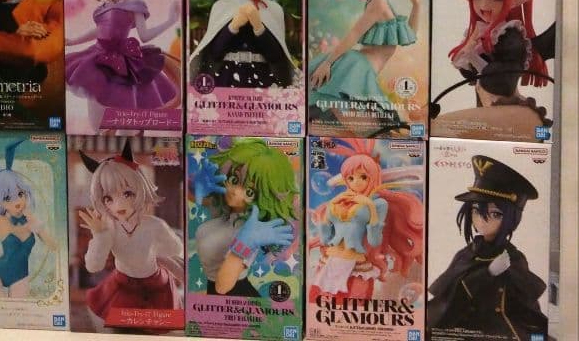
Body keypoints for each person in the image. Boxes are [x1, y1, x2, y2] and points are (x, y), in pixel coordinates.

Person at [65, 0, 180, 132]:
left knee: (126, 103)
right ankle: (102, 135)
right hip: (97, 55)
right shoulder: (106, 5)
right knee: (95, 107)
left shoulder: (135, 3)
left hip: (122, 59)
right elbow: (99, 31)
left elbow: (144, 36)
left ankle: (127, 133)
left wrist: (170, 21)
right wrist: (73, 41)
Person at [427, 155, 548, 338]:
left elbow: (526, 305)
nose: (482, 220)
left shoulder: (514, 258)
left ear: (512, 219)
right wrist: (487, 273)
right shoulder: (465, 255)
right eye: (476, 211)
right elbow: (449, 301)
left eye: (495, 214)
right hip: (463, 330)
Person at [431, 0, 553, 138]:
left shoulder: (510, 35)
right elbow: (471, 72)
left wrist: (472, 55)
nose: (484, 5)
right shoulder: (478, 33)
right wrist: (470, 49)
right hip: (487, 102)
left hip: (504, 103)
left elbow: (496, 76)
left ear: (513, 0)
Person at [309, 0, 420, 124]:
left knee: (358, 118)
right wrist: (327, 63)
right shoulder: (378, 4)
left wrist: (416, 6)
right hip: (359, 66)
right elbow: (353, 34)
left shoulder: (382, 2)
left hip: (363, 67)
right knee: (371, 121)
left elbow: (409, 36)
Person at [78, 141, 183, 319]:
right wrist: (100, 235)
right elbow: (94, 266)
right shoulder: (109, 228)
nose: (118, 204)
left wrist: (157, 254)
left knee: (158, 325)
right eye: (108, 198)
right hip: (122, 286)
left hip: (155, 284)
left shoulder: (154, 225)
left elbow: (175, 249)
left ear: (139, 189)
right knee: (123, 324)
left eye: (127, 193)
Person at [310, 139, 423, 298]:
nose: (356, 182)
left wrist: (369, 206)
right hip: (330, 259)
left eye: (363, 177)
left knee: (353, 303)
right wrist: (329, 212)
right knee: (318, 301)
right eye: (350, 178)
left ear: (373, 177)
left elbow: (374, 240)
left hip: (357, 263)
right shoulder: (340, 201)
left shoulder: (378, 203)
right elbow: (326, 238)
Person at [189, 138, 296, 296]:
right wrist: (194, 183)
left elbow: (222, 287)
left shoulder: (251, 229)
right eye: (234, 179)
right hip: (213, 295)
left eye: (249, 191)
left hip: (236, 297)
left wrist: (243, 245)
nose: (235, 191)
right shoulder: (225, 210)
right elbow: (195, 198)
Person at [0, 139, 57, 298]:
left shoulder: (31, 220)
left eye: (20, 194)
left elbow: (54, 246)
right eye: (7, 198)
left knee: (18, 309)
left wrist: (37, 226)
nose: (17, 201)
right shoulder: (0, 220)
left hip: (21, 276)